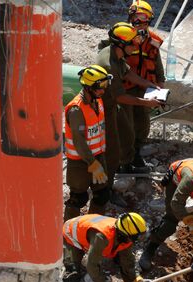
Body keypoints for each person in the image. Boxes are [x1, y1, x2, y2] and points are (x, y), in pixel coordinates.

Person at [94, 22, 163, 198]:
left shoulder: (116, 54)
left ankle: (123, 168)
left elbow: (127, 73)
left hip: (112, 106)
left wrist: (147, 83)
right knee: (112, 150)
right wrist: (146, 103)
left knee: (128, 136)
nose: (136, 45)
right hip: (106, 108)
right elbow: (120, 97)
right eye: (132, 43)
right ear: (122, 44)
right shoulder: (108, 64)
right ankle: (105, 192)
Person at [62, 212, 153, 282]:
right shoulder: (102, 238)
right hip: (70, 234)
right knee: (72, 275)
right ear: (124, 235)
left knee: (123, 260)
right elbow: (92, 265)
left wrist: (137, 279)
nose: (138, 239)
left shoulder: (126, 235)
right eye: (137, 236)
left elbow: (128, 261)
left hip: (88, 229)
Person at [63, 65, 112, 221]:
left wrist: (98, 161)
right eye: (100, 86)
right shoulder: (76, 109)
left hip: (97, 156)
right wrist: (92, 163)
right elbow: (79, 141)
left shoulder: (97, 101)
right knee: (78, 198)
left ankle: (93, 227)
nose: (103, 90)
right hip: (80, 161)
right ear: (89, 87)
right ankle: (68, 232)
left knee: (102, 195)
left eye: (105, 85)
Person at [123, 0, 166, 171]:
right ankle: (123, 162)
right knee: (125, 127)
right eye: (136, 19)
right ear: (130, 18)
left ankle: (135, 155)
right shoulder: (122, 38)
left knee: (142, 126)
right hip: (124, 89)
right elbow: (122, 70)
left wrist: (160, 90)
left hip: (145, 89)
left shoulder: (153, 41)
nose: (140, 23)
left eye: (144, 19)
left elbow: (158, 67)